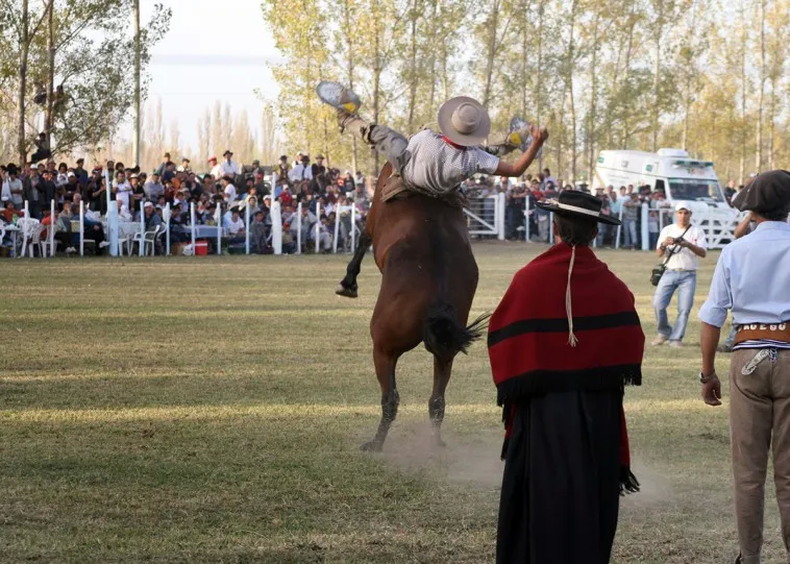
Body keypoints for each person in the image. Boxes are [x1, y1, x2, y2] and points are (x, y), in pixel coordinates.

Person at [488, 191, 643, 564]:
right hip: (597, 414)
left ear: (555, 227)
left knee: (542, 497)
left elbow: (501, 340)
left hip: (542, 414)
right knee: (590, 496)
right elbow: (631, 346)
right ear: (594, 232)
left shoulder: (528, 279)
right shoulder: (615, 287)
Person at [318, 81, 548, 295]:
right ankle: (511, 143)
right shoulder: (474, 157)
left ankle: (347, 118)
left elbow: (412, 147)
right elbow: (516, 170)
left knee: (382, 135)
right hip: (441, 191)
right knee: (487, 152)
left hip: (408, 175)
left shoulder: (427, 137)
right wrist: (536, 143)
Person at [697, 170, 790, 564]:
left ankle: (749, 557)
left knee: (749, 473)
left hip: (748, 354)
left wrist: (707, 373)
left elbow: (713, 315)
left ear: (752, 210)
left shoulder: (735, 251)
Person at [652, 201, 708, 347]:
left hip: (689, 274)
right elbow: (659, 253)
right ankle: (663, 331)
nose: (683, 216)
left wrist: (687, 244)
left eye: (686, 213)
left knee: (684, 309)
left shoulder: (697, 231)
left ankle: (676, 338)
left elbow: (703, 253)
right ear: (676, 214)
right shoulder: (668, 229)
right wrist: (665, 244)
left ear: (690, 214)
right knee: (658, 304)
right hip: (670, 271)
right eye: (680, 213)